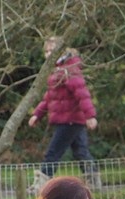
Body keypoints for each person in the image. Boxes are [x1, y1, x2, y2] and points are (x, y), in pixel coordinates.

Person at [28, 37, 100, 190]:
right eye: (46, 51)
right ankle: (93, 182)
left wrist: (90, 115)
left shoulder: (69, 70)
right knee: (81, 152)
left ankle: (41, 185)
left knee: (53, 153)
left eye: (51, 51)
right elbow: (50, 97)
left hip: (70, 119)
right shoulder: (57, 70)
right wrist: (37, 114)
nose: (48, 54)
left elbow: (82, 94)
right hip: (69, 119)